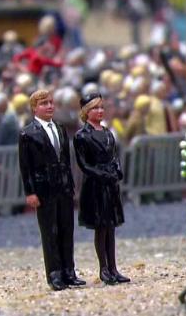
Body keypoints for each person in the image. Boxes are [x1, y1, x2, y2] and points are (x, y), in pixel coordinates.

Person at [18, 89, 84, 291]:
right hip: (43, 188)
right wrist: (30, 192)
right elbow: (25, 166)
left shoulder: (60, 128)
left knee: (66, 229)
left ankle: (68, 271)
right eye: (44, 103)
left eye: (50, 103)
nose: (49, 106)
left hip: (63, 186)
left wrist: (70, 184)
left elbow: (65, 159)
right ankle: (54, 273)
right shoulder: (28, 134)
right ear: (34, 108)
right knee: (50, 231)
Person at [73, 93, 130, 285]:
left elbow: (115, 155)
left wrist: (117, 170)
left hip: (110, 185)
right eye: (95, 108)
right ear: (86, 112)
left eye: (101, 108)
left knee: (111, 226)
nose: (99, 111)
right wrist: (102, 174)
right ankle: (103, 268)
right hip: (95, 185)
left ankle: (113, 267)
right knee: (101, 227)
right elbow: (83, 164)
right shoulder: (82, 136)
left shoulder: (107, 133)